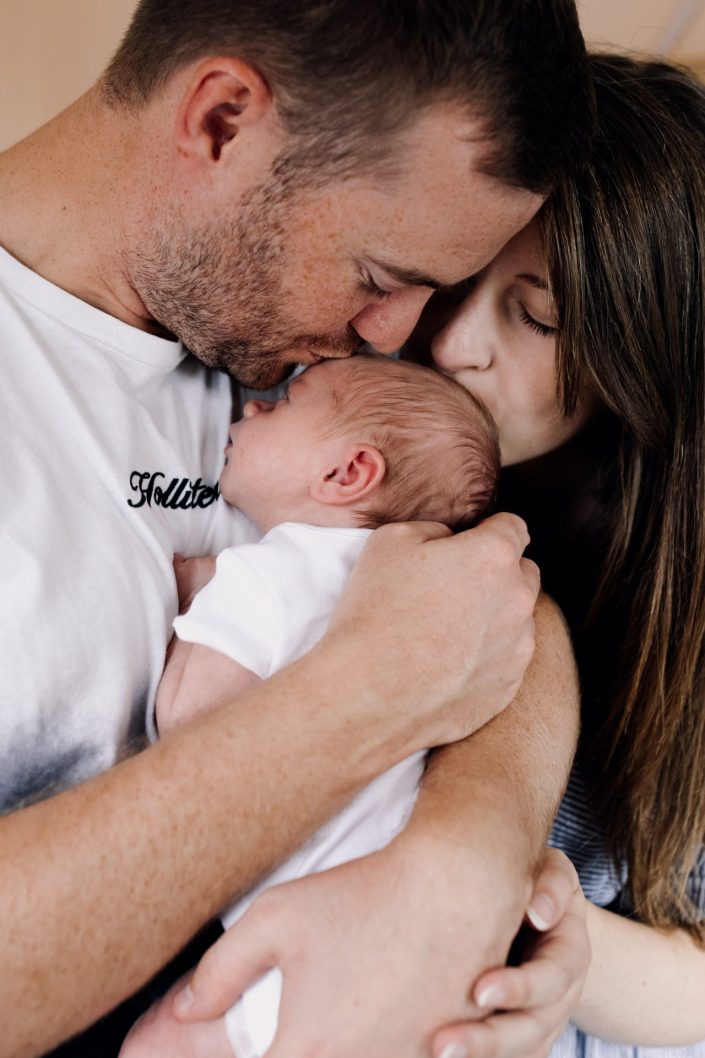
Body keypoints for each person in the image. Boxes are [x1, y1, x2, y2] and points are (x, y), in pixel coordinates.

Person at [0, 2, 591, 1054]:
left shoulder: (289, 349)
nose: (408, 337)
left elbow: (496, 587)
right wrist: (362, 695)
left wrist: (465, 857)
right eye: (381, 276)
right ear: (223, 120)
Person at [185, 53, 705, 1058]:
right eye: (455, 275)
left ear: (639, 363)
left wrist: (553, 939)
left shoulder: (662, 601)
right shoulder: (328, 400)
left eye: (538, 314)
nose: (452, 340)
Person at [120, 352, 500, 1058]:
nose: (255, 407)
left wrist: (191, 605)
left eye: (287, 402)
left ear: (346, 473)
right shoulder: (402, 585)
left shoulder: (265, 574)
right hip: (408, 929)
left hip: (313, 934)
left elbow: (191, 727)